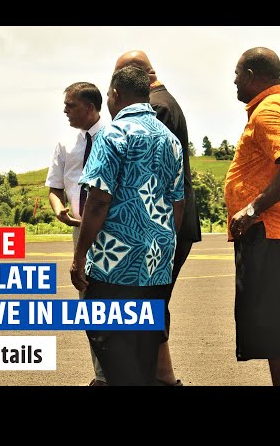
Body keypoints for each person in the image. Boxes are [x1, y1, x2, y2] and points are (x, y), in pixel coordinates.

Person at [70, 65, 184, 386]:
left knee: (115, 356)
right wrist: (164, 250)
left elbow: (99, 201)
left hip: (115, 266)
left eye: (107, 95)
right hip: (156, 264)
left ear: (116, 95)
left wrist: (80, 257)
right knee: (145, 357)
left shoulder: (112, 134)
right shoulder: (171, 141)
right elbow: (178, 201)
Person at [113, 50, 201, 386]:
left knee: (147, 302)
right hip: (167, 223)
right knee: (151, 302)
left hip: (162, 225)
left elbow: (147, 174)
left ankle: (159, 377)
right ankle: (161, 376)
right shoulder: (165, 103)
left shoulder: (157, 109)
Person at [224, 47, 280, 386]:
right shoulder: (267, 108)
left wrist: (252, 208)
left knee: (276, 329)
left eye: (236, 73)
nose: (233, 80)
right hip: (269, 234)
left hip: (270, 234)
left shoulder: (270, 110)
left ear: (250, 75)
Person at [45, 82, 109, 386]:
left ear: (90, 107)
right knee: (88, 301)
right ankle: (102, 374)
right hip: (80, 231)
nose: (65, 111)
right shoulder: (65, 143)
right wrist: (59, 209)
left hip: (114, 231)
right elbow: (54, 188)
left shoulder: (113, 137)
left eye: (70, 105)